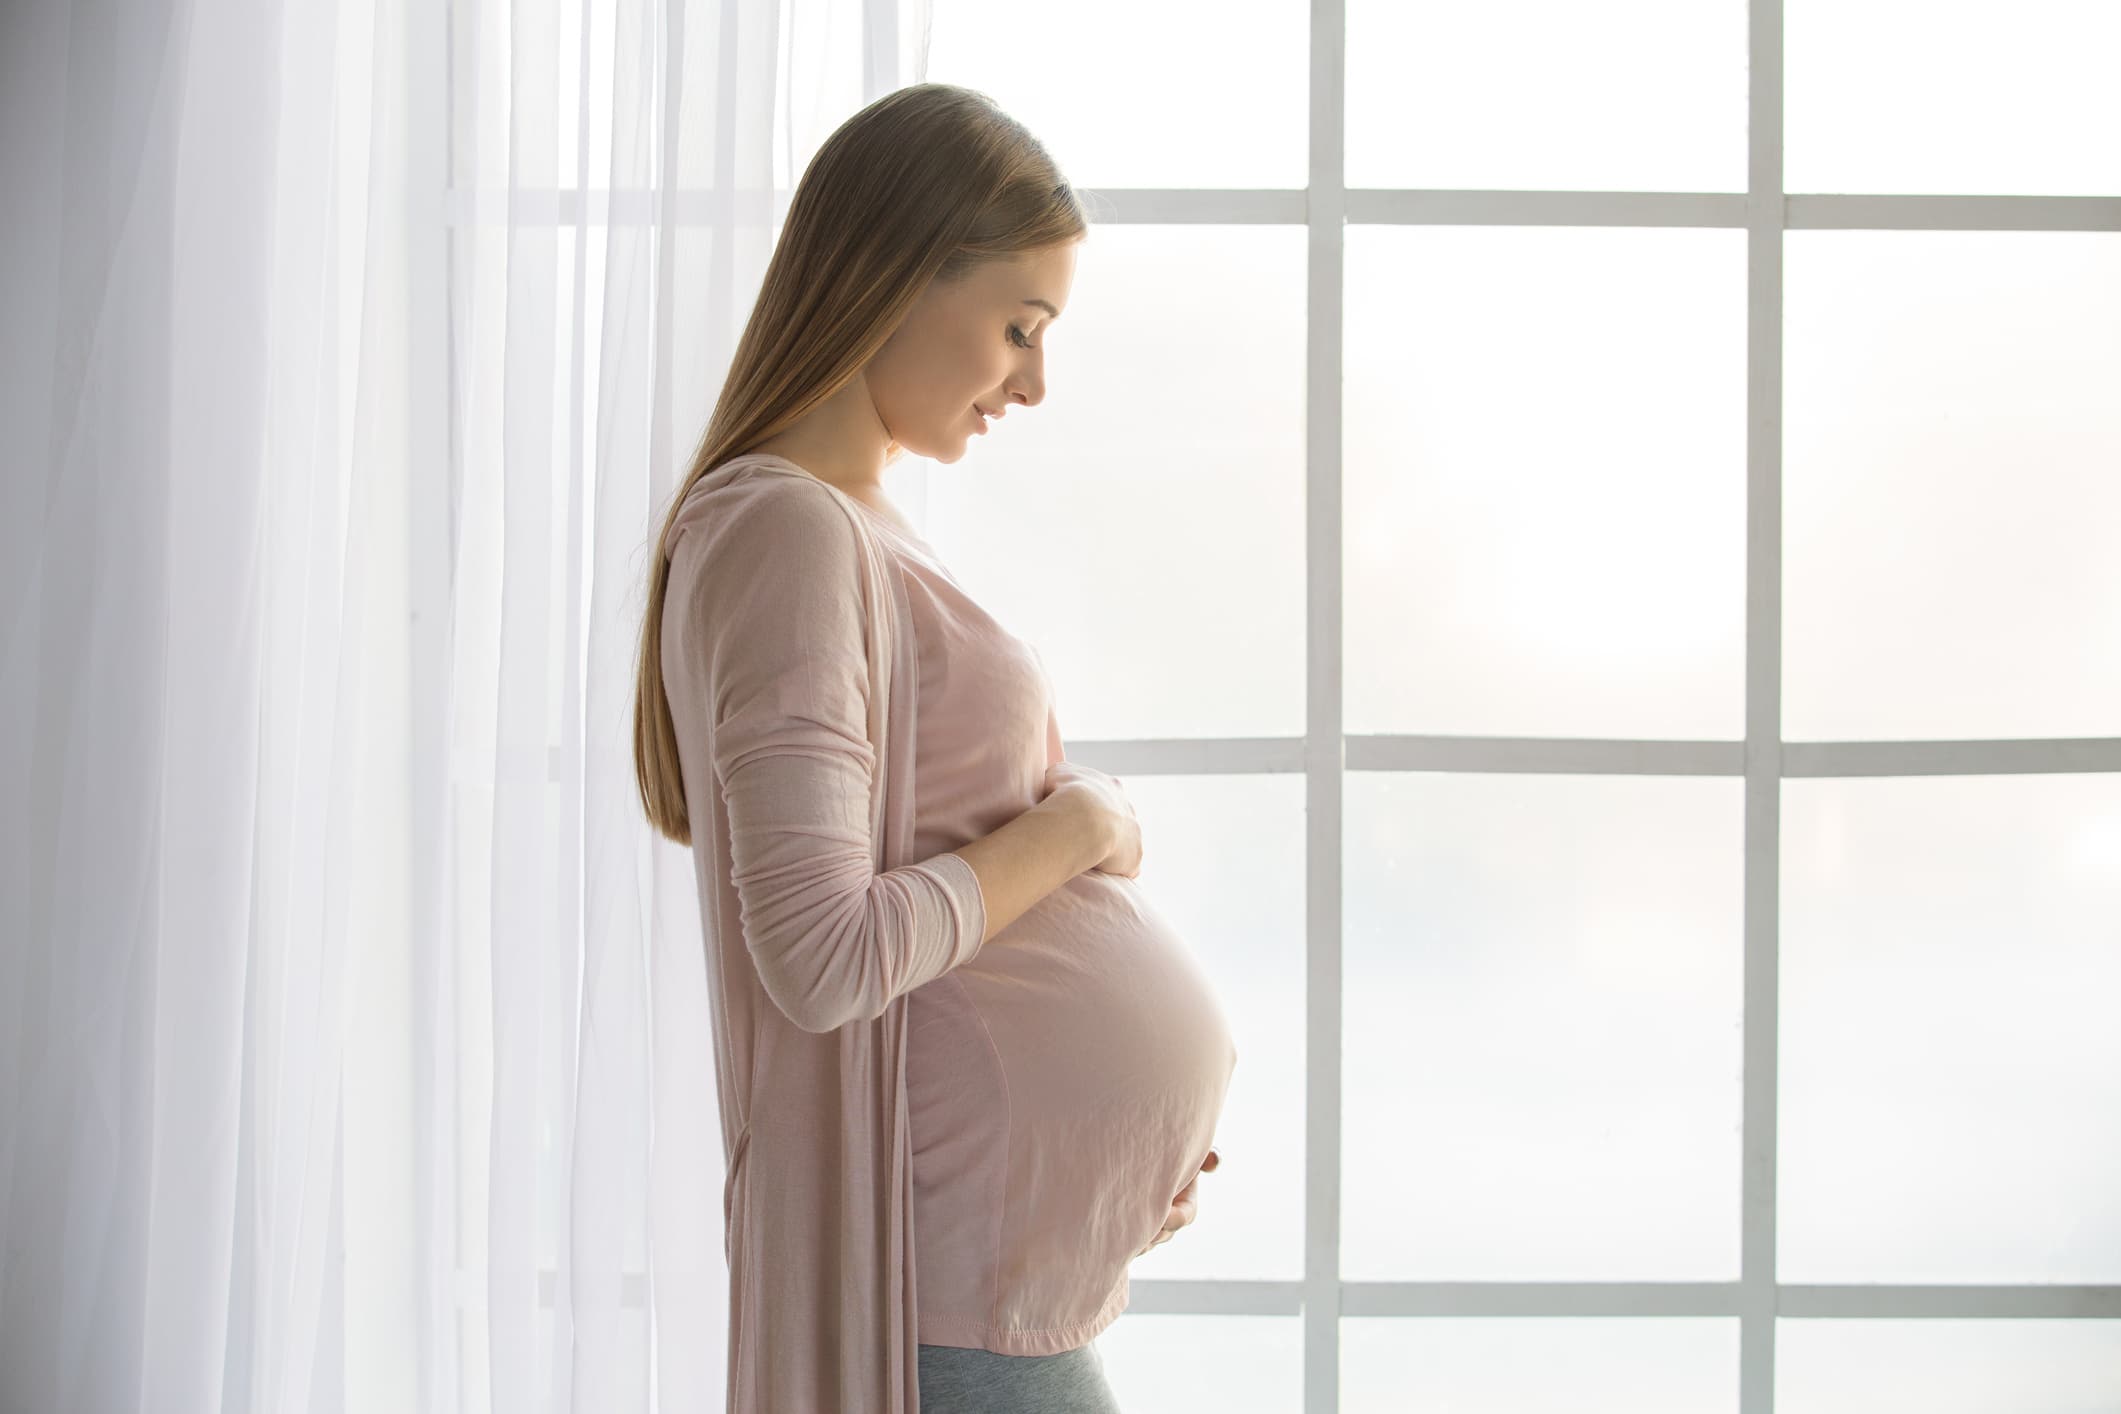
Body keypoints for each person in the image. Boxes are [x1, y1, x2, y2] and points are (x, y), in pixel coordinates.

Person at [632, 82, 1236, 1413]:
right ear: (894, 278)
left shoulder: (849, 523)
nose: (1034, 379)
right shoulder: (784, 532)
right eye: (1018, 326)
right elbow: (826, 955)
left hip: (988, 1295)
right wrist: (1078, 828)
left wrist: (1098, 1164)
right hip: (942, 1320)